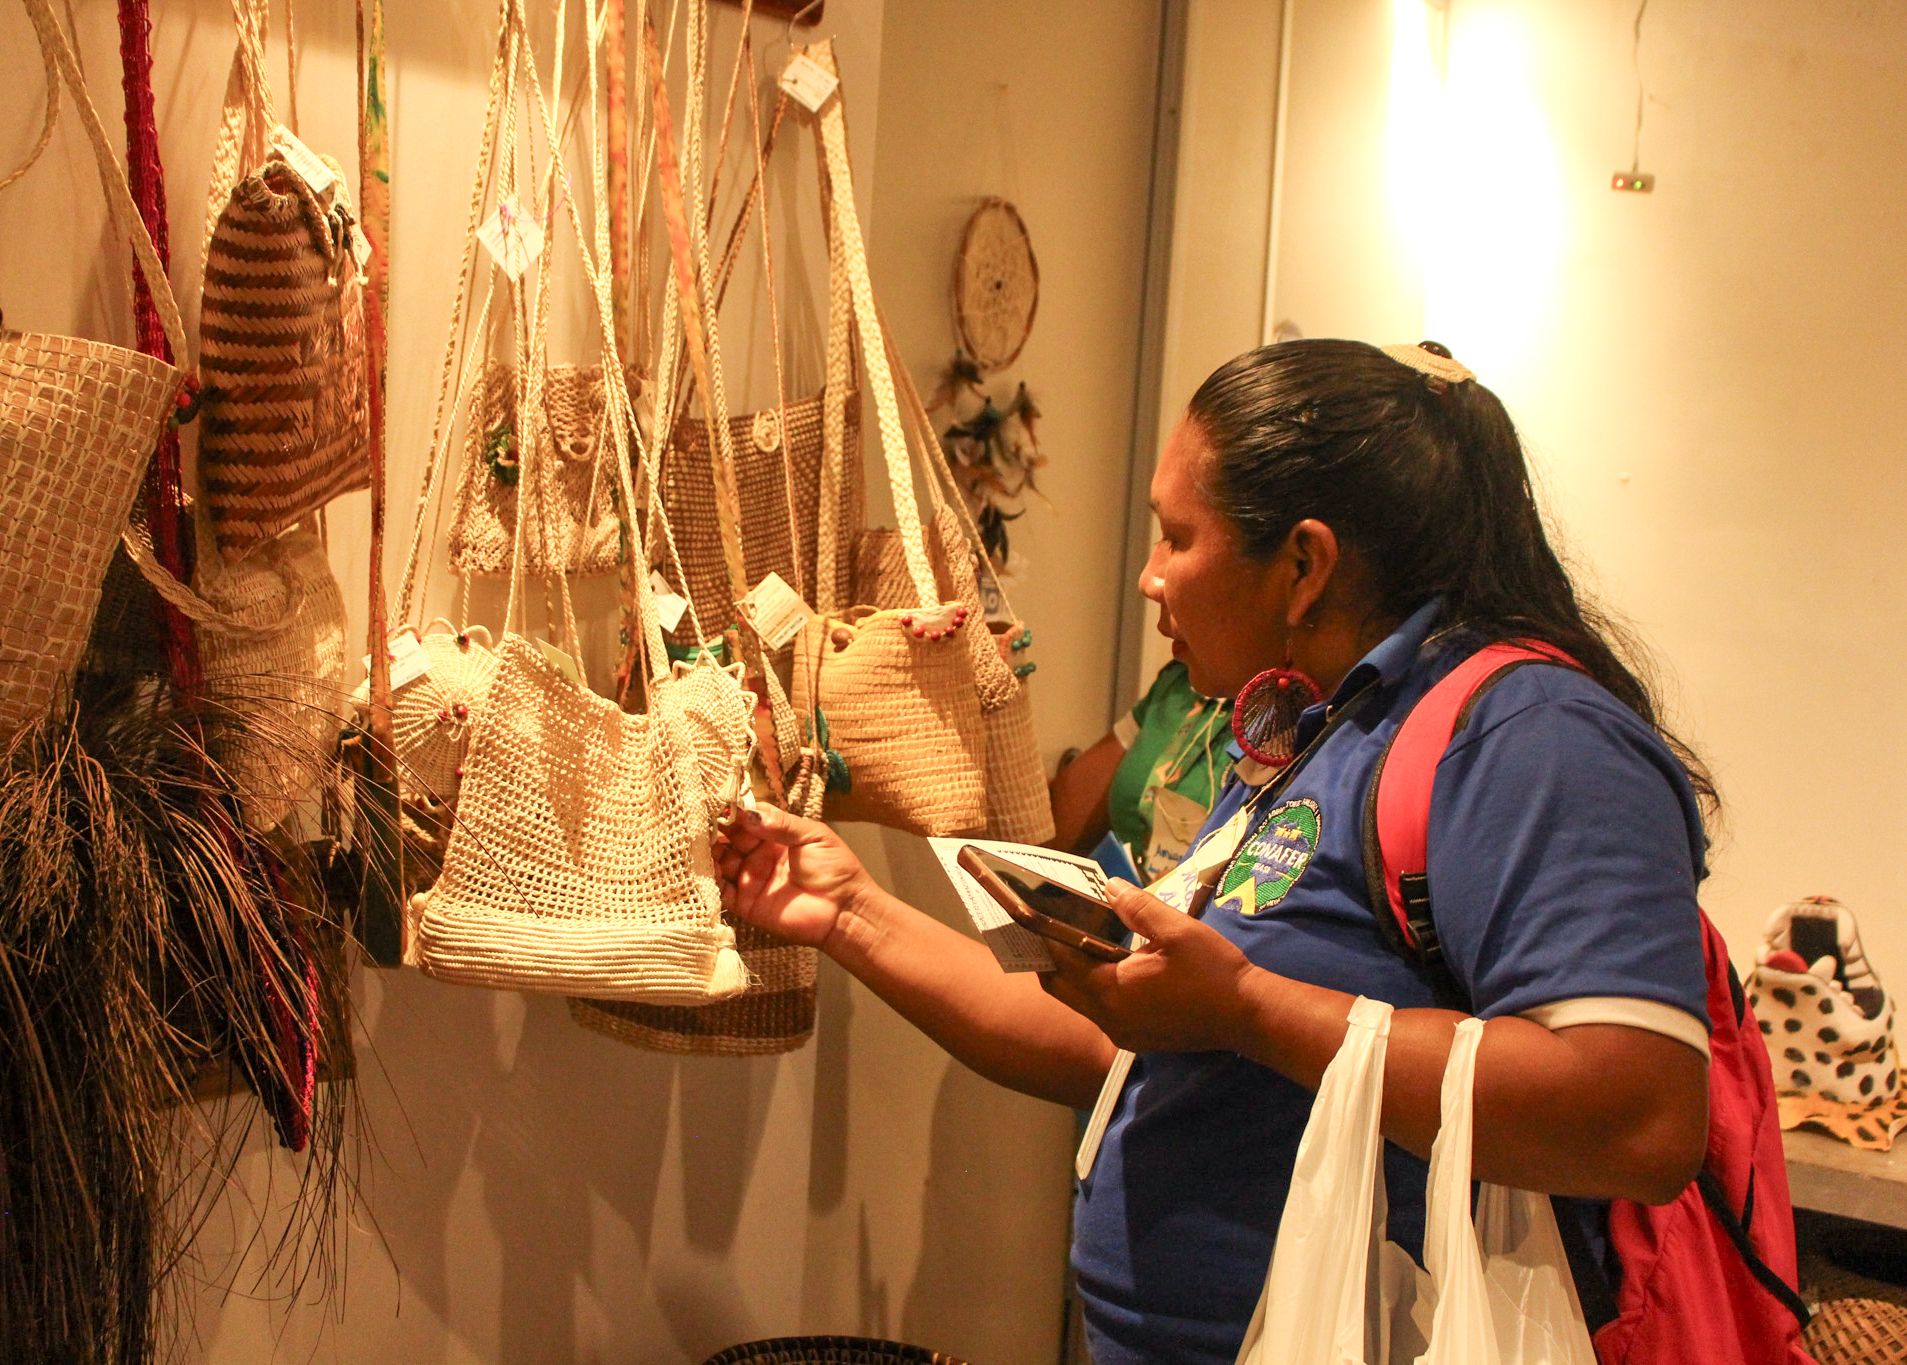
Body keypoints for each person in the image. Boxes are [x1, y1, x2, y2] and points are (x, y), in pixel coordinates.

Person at [717, 339, 1713, 1363]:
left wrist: (1245, 1010)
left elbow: (1637, 1118)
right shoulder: (1325, 728)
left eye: (1174, 539)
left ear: (1303, 564)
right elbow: (1141, 1046)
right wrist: (844, 912)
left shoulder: (1528, 737)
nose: (1148, 579)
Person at [1048, 649, 1233, 879]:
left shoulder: (1284, 721)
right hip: (1116, 905)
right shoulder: (1182, 683)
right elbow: (1051, 831)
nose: (1166, 626)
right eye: (1163, 610)